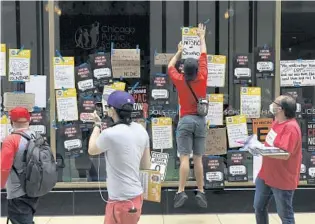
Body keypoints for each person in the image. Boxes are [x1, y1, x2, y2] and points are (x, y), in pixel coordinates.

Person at [88, 90, 151, 224]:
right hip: (136, 197)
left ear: (112, 111)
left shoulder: (110, 134)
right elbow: (146, 165)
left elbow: (92, 150)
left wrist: (96, 125)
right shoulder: (141, 130)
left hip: (120, 201)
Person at [167, 23, 208, 208]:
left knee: (184, 157)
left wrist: (179, 51)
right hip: (200, 121)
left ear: (184, 70)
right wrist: (201, 37)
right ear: (197, 70)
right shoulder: (203, 77)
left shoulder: (179, 80)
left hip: (185, 120)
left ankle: (181, 191)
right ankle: (201, 191)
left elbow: (169, 66)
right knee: (198, 158)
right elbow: (204, 55)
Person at [252, 95, 302, 224]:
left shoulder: (291, 128)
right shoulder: (276, 122)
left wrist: (262, 152)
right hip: (266, 175)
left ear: (280, 108)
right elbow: (272, 145)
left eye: (274, 103)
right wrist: (259, 147)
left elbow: (285, 154)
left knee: (285, 215)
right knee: (259, 207)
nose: (272, 105)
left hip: (282, 178)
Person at [1, 107, 38, 224]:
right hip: (34, 188)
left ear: (11, 122)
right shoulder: (36, 137)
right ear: (29, 120)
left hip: (17, 192)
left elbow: (3, 167)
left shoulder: (11, 140)